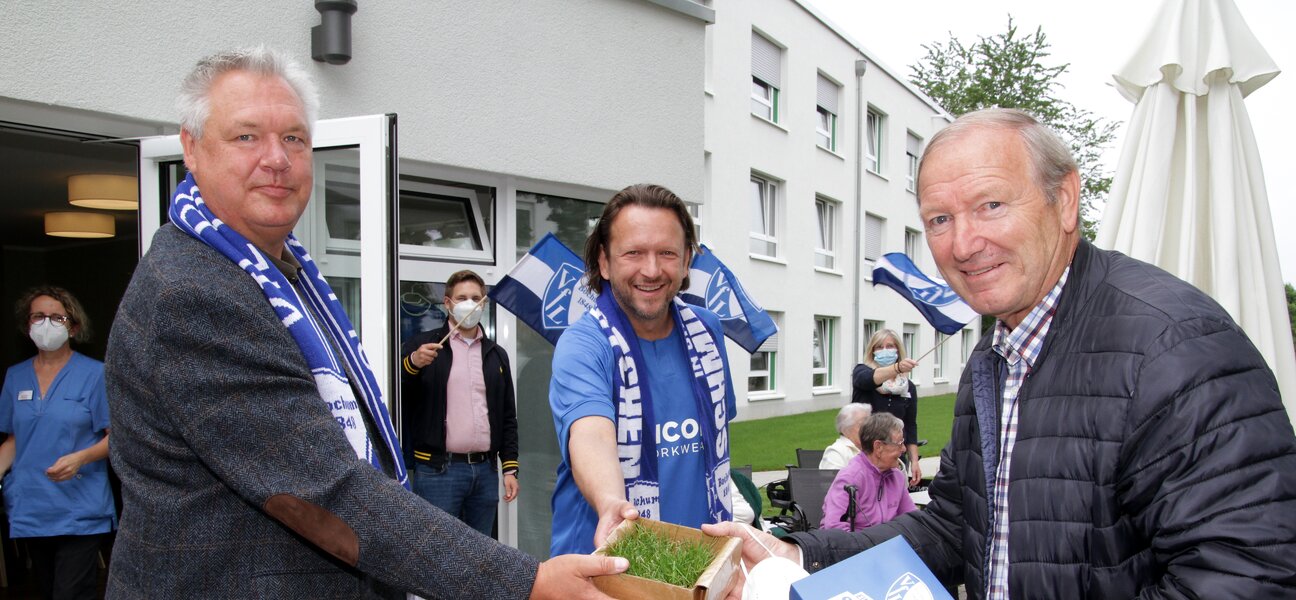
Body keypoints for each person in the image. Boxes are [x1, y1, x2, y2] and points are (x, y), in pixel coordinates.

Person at [705, 108, 1296, 599]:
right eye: (940, 219)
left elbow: (1249, 576)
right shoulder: (994, 357)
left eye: (990, 205)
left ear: (1064, 200)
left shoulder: (1176, 347)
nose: (963, 243)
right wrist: (796, 552)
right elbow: (954, 529)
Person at [104, 46, 624, 599]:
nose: (276, 159)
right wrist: (529, 583)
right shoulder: (197, 293)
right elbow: (324, 490)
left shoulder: (279, 276)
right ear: (191, 148)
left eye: (294, 138)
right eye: (246, 136)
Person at [548, 183, 736, 555]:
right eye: (633, 253)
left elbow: (714, 436)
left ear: (686, 261)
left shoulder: (708, 330)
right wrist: (610, 503)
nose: (651, 270)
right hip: (600, 566)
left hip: (693, 560)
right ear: (604, 262)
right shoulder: (583, 343)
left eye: (666, 253)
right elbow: (591, 436)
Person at [0, 286, 114, 600]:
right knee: (49, 590)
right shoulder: (15, 377)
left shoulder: (95, 375)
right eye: (39, 316)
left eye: (56, 317)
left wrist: (79, 458)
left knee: (70, 593)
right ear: (27, 325)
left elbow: (115, 440)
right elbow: (13, 440)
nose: (46, 323)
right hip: (32, 505)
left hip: (79, 505)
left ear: (73, 327)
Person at [400, 269, 520, 537]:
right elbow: (397, 394)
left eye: (476, 297)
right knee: (436, 550)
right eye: (462, 297)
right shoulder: (423, 346)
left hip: (486, 472)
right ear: (447, 304)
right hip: (437, 472)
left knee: (480, 553)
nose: (470, 303)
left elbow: (507, 416)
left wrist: (509, 468)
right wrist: (412, 364)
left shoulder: (496, 355)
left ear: (484, 303)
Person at [819, 413, 915, 532]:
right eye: (899, 444)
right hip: (855, 547)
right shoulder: (850, 479)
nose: (904, 449)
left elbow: (912, 519)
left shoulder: (896, 476)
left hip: (888, 544)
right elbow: (834, 528)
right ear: (878, 447)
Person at [851, 330, 921, 486]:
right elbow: (868, 379)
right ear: (872, 351)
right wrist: (897, 368)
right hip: (865, 455)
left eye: (890, 346)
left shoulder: (907, 387)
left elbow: (910, 425)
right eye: (879, 347)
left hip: (895, 458)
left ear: (898, 350)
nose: (885, 350)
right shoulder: (861, 372)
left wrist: (914, 460)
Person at [819, 403, 872, 470]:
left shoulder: (872, 448)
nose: (869, 429)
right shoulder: (836, 452)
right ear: (845, 429)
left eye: (869, 424)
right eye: (862, 425)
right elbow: (831, 480)